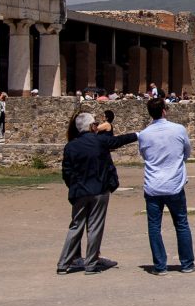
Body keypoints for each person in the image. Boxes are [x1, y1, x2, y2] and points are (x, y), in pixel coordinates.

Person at [57, 111, 137, 275]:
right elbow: (118, 141)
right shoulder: (99, 141)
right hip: (99, 190)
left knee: (75, 226)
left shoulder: (71, 146)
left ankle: (63, 263)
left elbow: (67, 171)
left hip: (79, 190)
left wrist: (73, 186)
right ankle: (91, 264)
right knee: (95, 227)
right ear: (92, 126)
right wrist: (137, 135)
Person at [137, 97, 195, 275]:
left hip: (153, 185)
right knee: (182, 224)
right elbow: (187, 152)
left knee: (154, 227)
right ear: (164, 110)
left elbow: (144, 155)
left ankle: (160, 266)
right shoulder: (178, 130)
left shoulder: (144, 134)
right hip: (174, 185)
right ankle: (187, 264)